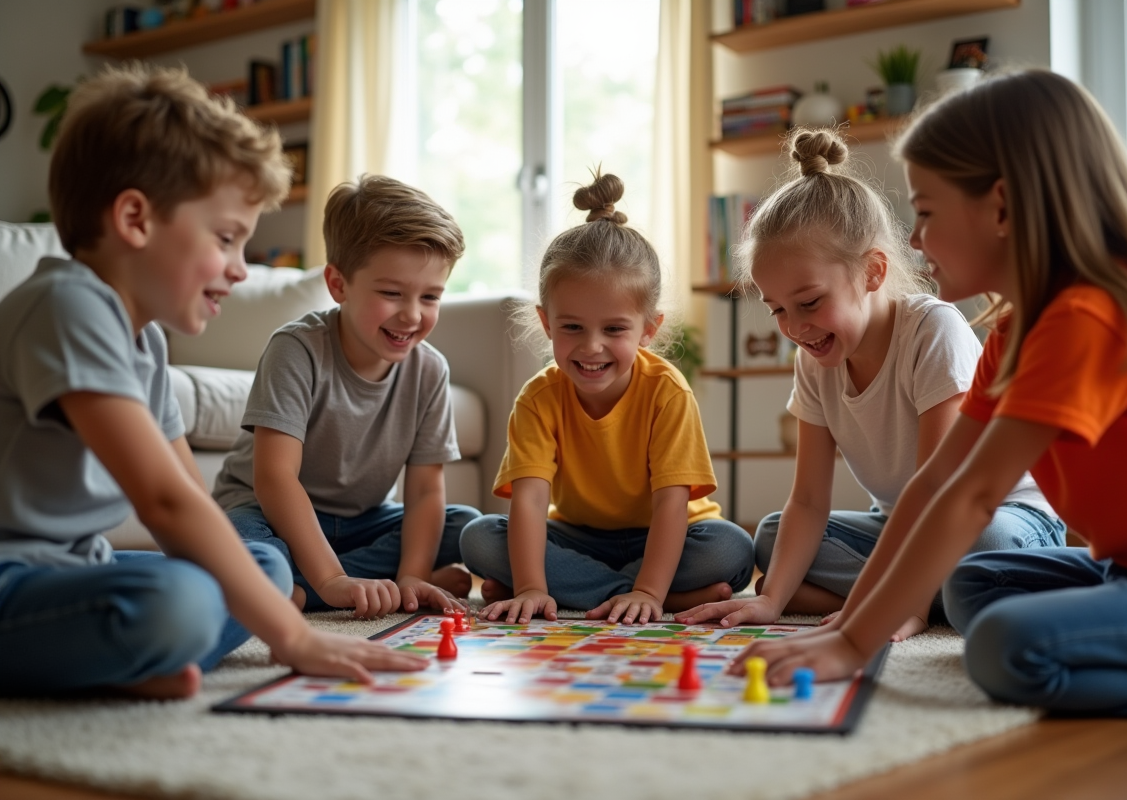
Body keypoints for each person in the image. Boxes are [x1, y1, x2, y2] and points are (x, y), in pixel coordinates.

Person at [730, 70, 1127, 719]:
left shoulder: (1085, 317)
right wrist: (851, 627)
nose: (913, 239)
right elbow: (931, 486)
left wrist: (853, 643)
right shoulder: (1014, 332)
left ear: (1001, 208)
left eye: (925, 212)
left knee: (1006, 644)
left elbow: (973, 495)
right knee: (976, 586)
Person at [0, 64, 427, 699]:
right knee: (178, 602)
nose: (240, 269)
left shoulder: (144, 339)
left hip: (76, 567)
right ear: (135, 218)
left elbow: (191, 502)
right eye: (226, 239)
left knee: (264, 567)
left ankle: (120, 659)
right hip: (12, 577)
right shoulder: (67, 306)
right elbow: (163, 502)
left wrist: (267, 606)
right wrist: (294, 637)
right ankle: (123, 657)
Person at [677, 127, 1064, 639]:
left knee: (986, 546)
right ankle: (938, 594)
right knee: (772, 536)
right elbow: (809, 501)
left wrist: (907, 609)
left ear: (873, 272)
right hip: (905, 527)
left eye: (809, 302)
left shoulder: (932, 330)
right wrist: (771, 601)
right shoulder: (814, 360)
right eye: (778, 310)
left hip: (1000, 518)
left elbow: (939, 489)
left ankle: (907, 596)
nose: (795, 328)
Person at [460, 171, 754, 626]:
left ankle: (618, 590)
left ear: (649, 329)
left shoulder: (667, 391)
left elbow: (671, 504)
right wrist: (531, 585)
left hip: (670, 532)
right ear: (546, 322)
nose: (592, 346)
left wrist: (648, 589)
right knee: (479, 537)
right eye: (572, 327)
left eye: (614, 329)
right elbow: (531, 502)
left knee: (730, 549)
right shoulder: (538, 398)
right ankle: (659, 596)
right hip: (577, 536)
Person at [213, 175, 479, 619]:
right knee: (250, 553)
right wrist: (330, 579)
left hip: (361, 522)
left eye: (430, 296)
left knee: (463, 524)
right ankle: (327, 583)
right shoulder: (296, 349)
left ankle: (312, 590)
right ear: (338, 284)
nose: (412, 315)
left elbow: (424, 491)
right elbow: (275, 479)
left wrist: (413, 575)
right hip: (265, 511)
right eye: (391, 293)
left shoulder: (430, 370)